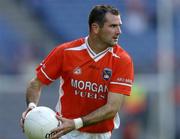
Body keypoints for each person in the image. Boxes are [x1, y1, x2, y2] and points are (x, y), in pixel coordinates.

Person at [20, 4, 134, 139]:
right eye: (113, 26)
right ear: (95, 28)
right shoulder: (66, 52)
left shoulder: (122, 60)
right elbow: (36, 84)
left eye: (119, 25)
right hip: (65, 132)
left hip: (99, 135)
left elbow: (112, 108)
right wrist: (32, 108)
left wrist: (76, 123)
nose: (119, 31)